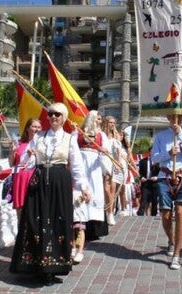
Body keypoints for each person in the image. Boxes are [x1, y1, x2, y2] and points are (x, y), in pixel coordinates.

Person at [10, 103, 90, 286]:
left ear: (64, 118)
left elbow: (77, 166)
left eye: (58, 115)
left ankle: (53, 268)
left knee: (57, 222)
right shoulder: (38, 137)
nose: (53, 117)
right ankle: (33, 265)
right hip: (38, 183)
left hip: (59, 182)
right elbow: (25, 162)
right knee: (34, 221)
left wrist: (84, 187)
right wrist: (28, 156)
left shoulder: (70, 139)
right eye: (51, 114)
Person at [151, 114, 182, 270]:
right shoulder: (160, 136)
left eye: (179, 117)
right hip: (165, 176)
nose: (176, 119)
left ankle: (177, 254)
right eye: (173, 117)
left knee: (180, 211)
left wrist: (180, 134)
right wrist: (168, 154)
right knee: (165, 214)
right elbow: (154, 158)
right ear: (168, 118)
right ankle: (171, 240)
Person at [74, 110, 105, 261]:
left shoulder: (101, 135)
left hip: (94, 165)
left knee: (95, 192)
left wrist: (103, 152)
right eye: (97, 119)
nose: (99, 121)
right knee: (81, 192)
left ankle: (93, 227)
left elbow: (105, 150)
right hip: (81, 162)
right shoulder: (79, 132)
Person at [8, 118, 42, 219]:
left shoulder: (42, 144)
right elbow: (11, 164)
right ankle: (21, 232)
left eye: (39, 127)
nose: (37, 129)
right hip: (21, 178)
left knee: (34, 208)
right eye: (34, 126)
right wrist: (11, 151)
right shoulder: (20, 144)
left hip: (35, 177)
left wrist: (35, 155)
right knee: (21, 210)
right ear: (27, 128)